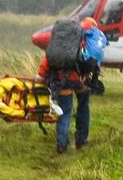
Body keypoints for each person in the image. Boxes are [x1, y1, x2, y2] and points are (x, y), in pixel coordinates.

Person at [38, 22, 95, 154]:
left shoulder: (57, 44)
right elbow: (87, 60)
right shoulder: (84, 41)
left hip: (62, 80)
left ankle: (62, 144)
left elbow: (47, 60)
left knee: (64, 112)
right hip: (80, 80)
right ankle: (81, 140)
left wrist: (40, 75)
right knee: (83, 107)